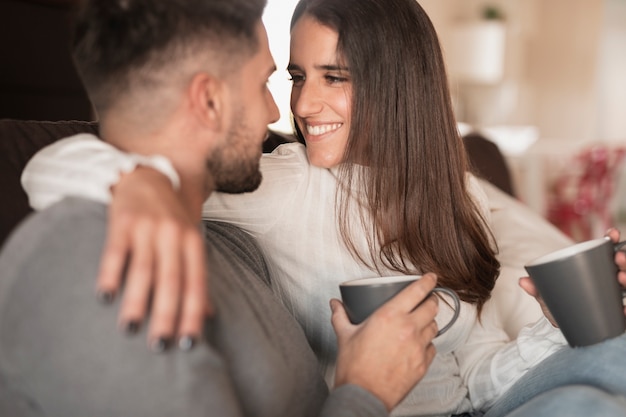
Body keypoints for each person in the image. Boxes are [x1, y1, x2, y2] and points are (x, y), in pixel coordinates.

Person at [18, 0, 626, 416]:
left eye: (334, 76)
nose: (302, 105)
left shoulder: (457, 200)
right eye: (293, 76)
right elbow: (51, 160)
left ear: (396, 86)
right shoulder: (279, 182)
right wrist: (136, 180)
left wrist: (553, 328)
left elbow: (476, 374)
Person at [0, 0, 446, 415]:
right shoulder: (105, 264)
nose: (278, 113)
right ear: (210, 101)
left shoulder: (229, 244)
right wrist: (366, 392)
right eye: (263, 84)